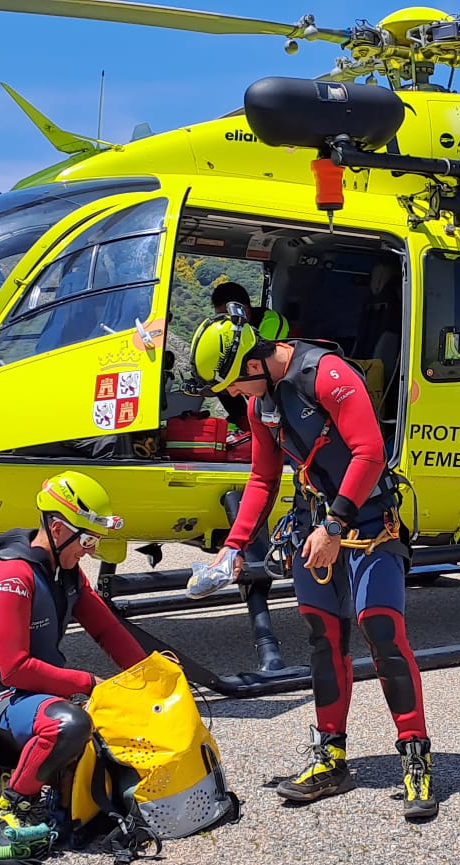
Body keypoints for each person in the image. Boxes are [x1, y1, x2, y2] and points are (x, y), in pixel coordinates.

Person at [185, 309, 438, 820]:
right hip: (313, 525)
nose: (233, 395)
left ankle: (416, 757)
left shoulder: (327, 374)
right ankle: (331, 757)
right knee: (324, 637)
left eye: (234, 382)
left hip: (367, 523)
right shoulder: (262, 407)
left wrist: (336, 526)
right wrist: (232, 547)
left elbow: (369, 453)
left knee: (381, 630)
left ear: (256, 360)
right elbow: (261, 481)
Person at [0, 471, 147, 852]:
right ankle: (13, 808)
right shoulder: (11, 576)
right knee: (70, 725)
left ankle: (16, 770)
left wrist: (148, 675)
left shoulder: (65, 572)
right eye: (88, 539)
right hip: (0, 698)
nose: (91, 550)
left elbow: (107, 630)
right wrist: (89, 682)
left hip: (36, 694)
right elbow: (14, 668)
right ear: (60, 529)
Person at [209, 281, 289, 425]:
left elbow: (257, 360)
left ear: (243, 310)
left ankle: (251, 422)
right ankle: (240, 421)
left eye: (227, 317)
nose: (224, 323)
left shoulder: (271, 321)